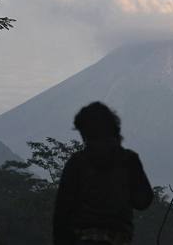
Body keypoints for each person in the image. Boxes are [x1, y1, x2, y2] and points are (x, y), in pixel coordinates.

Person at [53, 102, 153, 245]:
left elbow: (62, 213)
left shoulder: (77, 163)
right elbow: (143, 201)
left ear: (85, 133)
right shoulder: (128, 161)